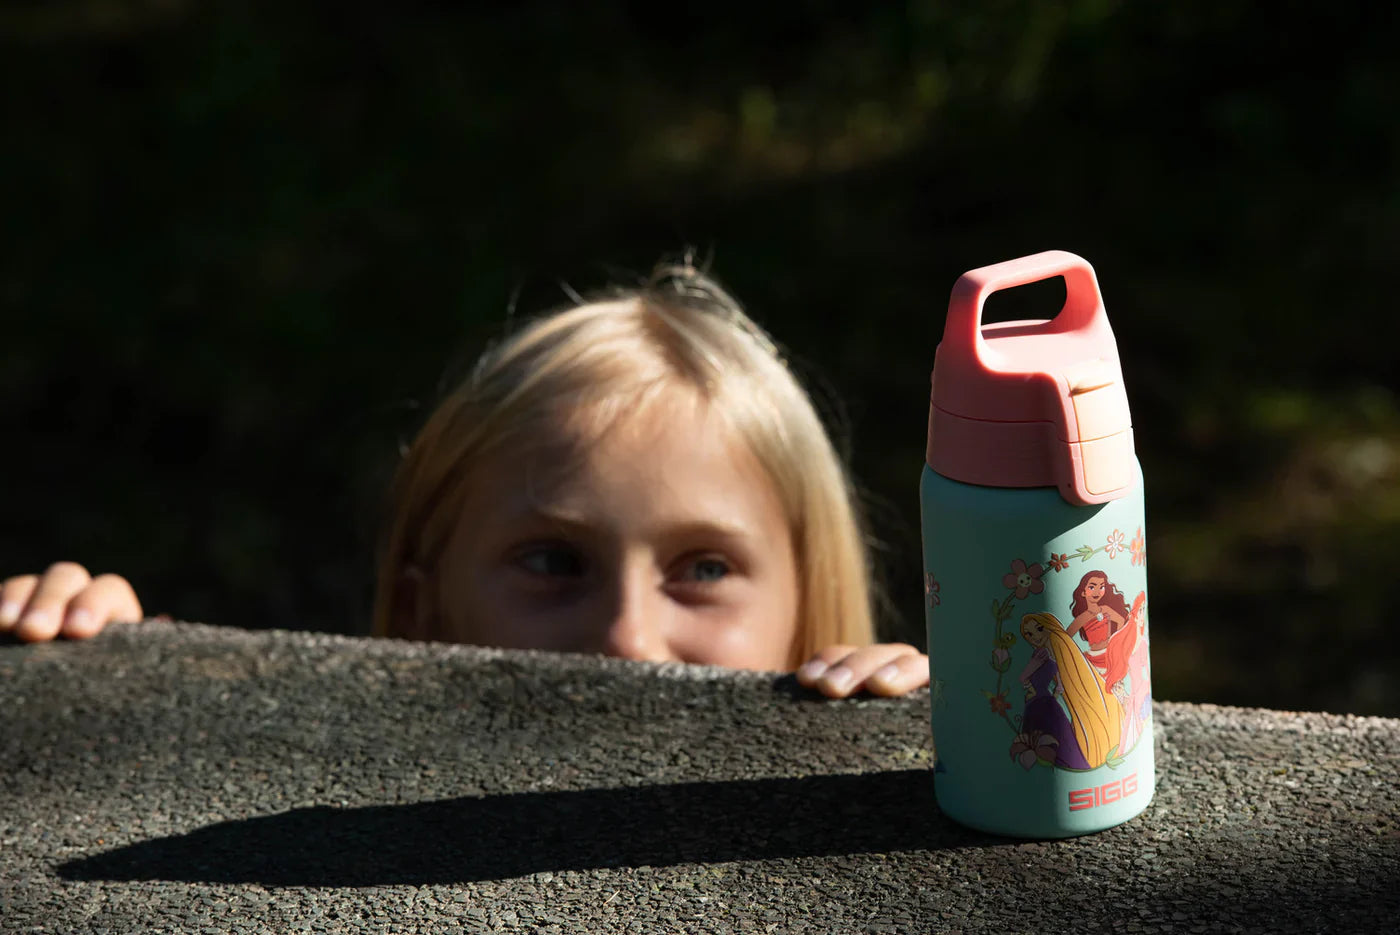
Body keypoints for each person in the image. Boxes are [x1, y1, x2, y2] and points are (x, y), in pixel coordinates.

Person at [0, 261, 928, 699]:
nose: (627, 638)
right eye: (554, 561)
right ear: (422, 611)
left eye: (706, 568)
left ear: (811, 610)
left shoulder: (883, 782)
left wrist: (933, 749)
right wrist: (112, 678)